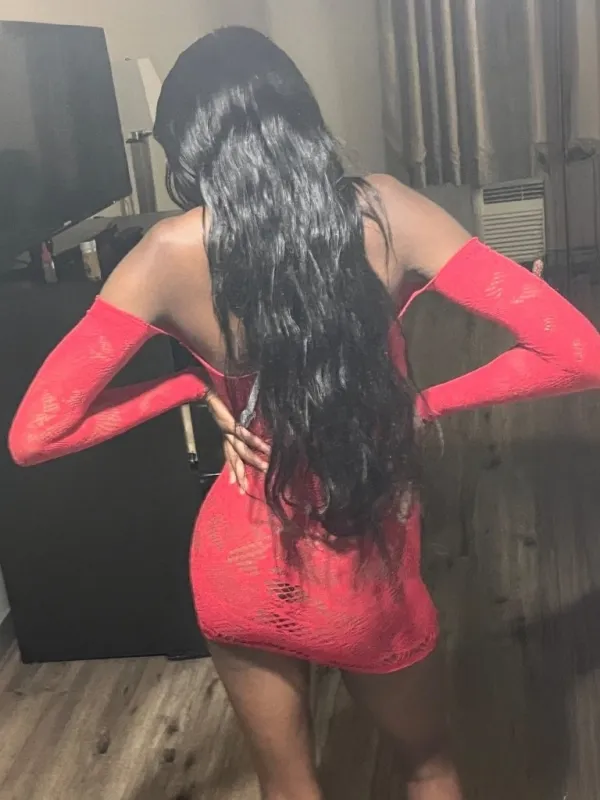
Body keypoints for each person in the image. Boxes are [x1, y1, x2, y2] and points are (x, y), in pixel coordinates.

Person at [9, 27, 600, 800]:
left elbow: (36, 434)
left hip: (237, 566)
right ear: (298, 114)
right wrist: (422, 404)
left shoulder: (163, 252)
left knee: (287, 787)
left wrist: (187, 390)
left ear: (187, 144)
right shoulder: (385, 212)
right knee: (427, 763)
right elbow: (578, 353)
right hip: (362, 567)